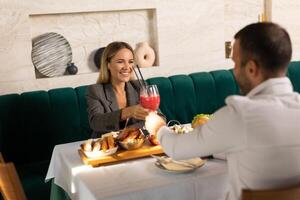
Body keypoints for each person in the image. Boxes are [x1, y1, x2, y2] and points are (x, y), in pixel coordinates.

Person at [145, 22, 300, 200]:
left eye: (235, 64)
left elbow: (176, 148)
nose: (234, 71)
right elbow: (255, 148)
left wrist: (158, 127)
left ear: (251, 68)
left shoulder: (240, 115)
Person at [86, 41, 150, 138]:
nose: (127, 67)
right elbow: (95, 122)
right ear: (108, 65)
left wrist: (130, 132)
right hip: (108, 147)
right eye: (120, 62)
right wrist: (127, 112)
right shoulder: (96, 91)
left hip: (137, 144)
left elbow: (160, 117)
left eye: (130, 62)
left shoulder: (140, 86)